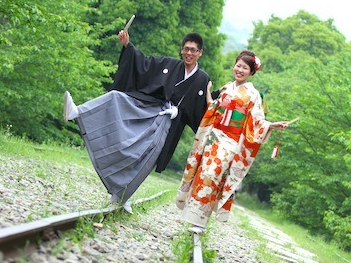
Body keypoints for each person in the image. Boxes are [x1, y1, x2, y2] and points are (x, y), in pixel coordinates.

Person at [64, 30, 212, 212]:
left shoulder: (202, 79)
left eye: (193, 50)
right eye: (186, 49)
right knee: (116, 97)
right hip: (149, 110)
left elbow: (204, 108)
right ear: (182, 50)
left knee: (146, 159)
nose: (189, 53)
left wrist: (183, 109)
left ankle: (121, 196)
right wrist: (128, 45)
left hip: (168, 125)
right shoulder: (170, 64)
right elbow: (144, 64)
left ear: (200, 53)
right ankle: (78, 111)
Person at [176, 50, 291, 232]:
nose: (240, 70)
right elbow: (213, 108)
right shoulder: (227, 88)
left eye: (245, 68)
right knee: (204, 173)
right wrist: (208, 92)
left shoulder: (253, 95)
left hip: (231, 140)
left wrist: (271, 125)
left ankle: (201, 221)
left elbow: (256, 121)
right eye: (238, 65)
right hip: (213, 136)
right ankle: (193, 218)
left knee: (214, 174)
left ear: (251, 72)